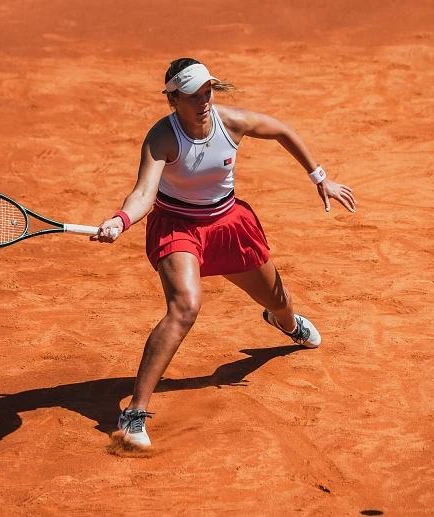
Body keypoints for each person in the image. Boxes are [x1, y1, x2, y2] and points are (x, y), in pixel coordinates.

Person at [91, 58, 356, 448]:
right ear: (173, 100)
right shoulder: (162, 137)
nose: (203, 101)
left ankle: (285, 323)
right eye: (193, 96)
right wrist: (121, 220)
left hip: (229, 224)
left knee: (280, 301)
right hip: (179, 227)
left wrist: (320, 178)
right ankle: (134, 414)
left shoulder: (231, 122)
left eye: (207, 92)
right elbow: (144, 192)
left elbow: (282, 131)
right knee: (185, 307)